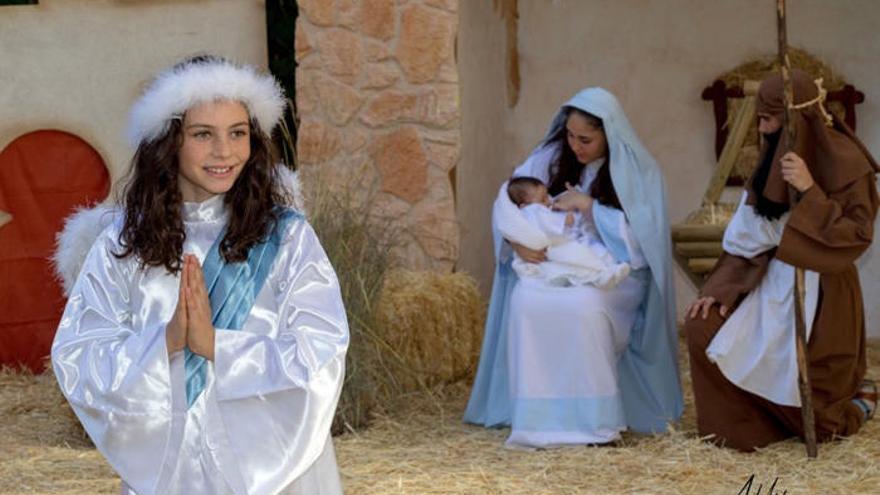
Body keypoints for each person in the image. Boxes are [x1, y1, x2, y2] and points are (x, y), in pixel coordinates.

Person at [50, 55, 349, 494]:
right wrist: (166, 342)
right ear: (168, 140)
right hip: (171, 465)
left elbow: (322, 351)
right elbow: (80, 356)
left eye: (238, 133)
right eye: (203, 134)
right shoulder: (123, 242)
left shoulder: (286, 236)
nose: (224, 151)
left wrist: (217, 347)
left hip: (276, 463)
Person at [464, 87, 683, 447]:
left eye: (586, 139)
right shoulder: (550, 157)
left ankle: (594, 423)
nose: (576, 146)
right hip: (555, 265)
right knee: (526, 301)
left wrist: (589, 206)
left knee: (584, 307)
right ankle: (537, 422)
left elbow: (643, 245)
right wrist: (518, 240)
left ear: (608, 135)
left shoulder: (638, 170)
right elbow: (506, 199)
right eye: (570, 135)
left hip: (616, 273)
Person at [685, 69, 879, 451]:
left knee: (819, 418)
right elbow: (746, 239)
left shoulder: (847, 163)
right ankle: (753, 428)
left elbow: (855, 236)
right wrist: (721, 288)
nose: (761, 127)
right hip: (765, 285)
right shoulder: (771, 159)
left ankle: (860, 403)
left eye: (768, 118)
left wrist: (809, 191)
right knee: (702, 326)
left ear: (795, 120)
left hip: (824, 295)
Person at [500, 176, 631, 289]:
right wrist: (564, 220)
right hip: (555, 247)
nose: (549, 200)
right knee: (581, 257)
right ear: (523, 206)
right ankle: (603, 275)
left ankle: (608, 270)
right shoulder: (531, 211)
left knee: (591, 252)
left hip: (561, 243)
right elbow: (547, 222)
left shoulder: (536, 207)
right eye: (543, 199)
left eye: (547, 195)